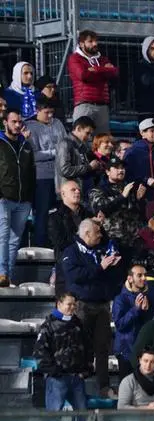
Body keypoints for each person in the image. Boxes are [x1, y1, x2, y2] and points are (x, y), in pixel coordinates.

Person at [62, 219, 120, 398]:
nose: (101, 235)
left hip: (102, 305)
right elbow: (74, 276)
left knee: (102, 347)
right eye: (97, 232)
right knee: (80, 346)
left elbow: (106, 275)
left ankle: (104, 387)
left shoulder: (101, 250)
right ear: (87, 234)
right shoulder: (71, 252)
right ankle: (78, 385)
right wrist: (99, 267)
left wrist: (112, 266)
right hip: (82, 305)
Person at [36, 292, 90, 421]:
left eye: (74, 305)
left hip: (77, 378)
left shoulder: (78, 324)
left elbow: (88, 349)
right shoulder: (48, 325)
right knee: (54, 419)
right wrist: (54, 371)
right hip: (57, 380)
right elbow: (40, 353)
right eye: (69, 304)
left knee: (83, 419)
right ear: (59, 304)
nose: (72, 308)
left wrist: (86, 370)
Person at [0, 110, 35, 287]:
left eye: (19, 122)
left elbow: (31, 173)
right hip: (3, 197)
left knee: (14, 240)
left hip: (23, 200)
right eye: (13, 121)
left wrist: (30, 198)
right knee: (3, 236)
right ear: (5, 122)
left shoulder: (26, 145)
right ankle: (2, 273)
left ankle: (8, 276)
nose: (17, 125)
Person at [25, 99, 66, 246]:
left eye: (52, 113)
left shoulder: (58, 124)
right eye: (46, 112)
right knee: (42, 213)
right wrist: (55, 152)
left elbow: (66, 144)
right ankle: (40, 245)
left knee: (60, 212)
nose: (49, 116)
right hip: (42, 177)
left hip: (61, 176)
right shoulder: (30, 127)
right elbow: (33, 155)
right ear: (37, 111)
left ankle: (59, 244)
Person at [66, 31, 118, 133]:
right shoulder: (74, 58)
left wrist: (95, 69)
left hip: (102, 105)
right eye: (90, 41)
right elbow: (83, 75)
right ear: (81, 44)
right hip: (84, 104)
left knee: (102, 141)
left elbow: (114, 72)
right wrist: (103, 70)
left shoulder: (102, 59)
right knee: (82, 139)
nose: (95, 44)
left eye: (95, 41)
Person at [111, 264, 154, 378]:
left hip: (143, 350)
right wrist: (136, 309)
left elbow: (151, 324)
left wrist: (146, 311)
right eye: (139, 275)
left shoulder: (150, 296)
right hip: (126, 351)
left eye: (145, 275)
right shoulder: (120, 299)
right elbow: (120, 324)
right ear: (130, 278)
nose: (144, 278)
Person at [48, 181, 91, 294]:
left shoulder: (88, 214)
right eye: (73, 190)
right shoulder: (55, 217)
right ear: (63, 194)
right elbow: (60, 242)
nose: (77, 192)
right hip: (67, 268)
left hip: (88, 267)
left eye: (78, 190)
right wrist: (84, 239)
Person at [123, 118, 154, 201]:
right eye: (152, 131)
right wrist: (146, 180)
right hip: (141, 197)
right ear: (142, 133)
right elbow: (127, 174)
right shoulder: (132, 151)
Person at [55, 116, 101, 193]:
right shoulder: (65, 144)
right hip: (70, 191)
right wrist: (89, 167)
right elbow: (65, 170)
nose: (89, 137)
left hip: (82, 188)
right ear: (78, 128)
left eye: (91, 134)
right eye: (87, 133)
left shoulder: (82, 145)